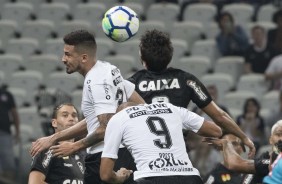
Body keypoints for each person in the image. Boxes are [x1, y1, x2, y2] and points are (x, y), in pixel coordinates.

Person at [30, 29, 145, 184]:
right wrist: (53, 137)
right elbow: (142, 105)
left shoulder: (96, 81)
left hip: (104, 157)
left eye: (68, 54)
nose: (63, 59)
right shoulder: (109, 69)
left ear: (84, 57)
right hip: (123, 153)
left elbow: (106, 128)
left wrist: (74, 146)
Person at [127, 29, 256, 158]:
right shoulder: (186, 80)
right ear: (170, 55)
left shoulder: (131, 84)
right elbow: (220, 116)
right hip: (177, 155)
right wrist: (243, 137)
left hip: (143, 155)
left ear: (142, 58)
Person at [100, 102, 222, 184]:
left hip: (151, 178)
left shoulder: (118, 118)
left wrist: (120, 177)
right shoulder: (170, 108)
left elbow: (105, 175)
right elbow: (216, 131)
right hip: (189, 177)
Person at [204, 120, 282, 184]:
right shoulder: (263, 161)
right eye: (278, 134)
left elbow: (234, 164)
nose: (281, 139)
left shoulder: (259, 164)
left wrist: (225, 144)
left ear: (242, 148)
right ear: (270, 139)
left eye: (235, 144)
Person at [28, 103, 85, 184]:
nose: (71, 118)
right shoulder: (48, 150)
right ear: (54, 123)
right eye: (65, 115)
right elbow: (34, 182)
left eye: (74, 115)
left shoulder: (82, 154)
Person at [0, 86, 20, 183]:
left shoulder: (6, 95)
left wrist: (17, 133)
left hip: (4, 133)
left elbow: (14, 113)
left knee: (8, 164)